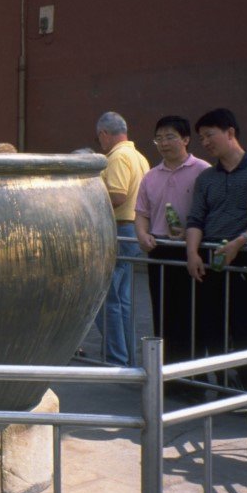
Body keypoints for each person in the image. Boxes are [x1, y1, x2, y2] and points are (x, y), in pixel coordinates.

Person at [185, 108, 247, 419]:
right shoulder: (207, 178)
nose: (205, 143)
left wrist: (239, 242)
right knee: (211, 328)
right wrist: (192, 253)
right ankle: (226, 391)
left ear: (230, 133)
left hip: (246, 259)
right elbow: (196, 218)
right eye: (201, 138)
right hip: (211, 257)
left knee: (246, 328)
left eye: (209, 135)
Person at [133, 116, 211, 373]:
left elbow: (210, 212)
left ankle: (193, 376)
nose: (163, 143)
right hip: (160, 249)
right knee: (164, 313)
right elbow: (142, 212)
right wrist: (142, 235)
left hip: (192, 251)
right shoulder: (150, 176)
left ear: (186, 139)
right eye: (159, 138)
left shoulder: (203, 170)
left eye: (170, 137)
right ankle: (167, 375)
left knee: (194, 315)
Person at [95, 111, 150, 367]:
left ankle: (116, 358)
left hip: (119, 229)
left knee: (107, 298)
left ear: (105, 134)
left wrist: (89, 197)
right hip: (133, 230)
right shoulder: (139, 157)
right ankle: (125, 356)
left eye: (100, 138)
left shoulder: (117, 157)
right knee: (123, 299)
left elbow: (117, 195)